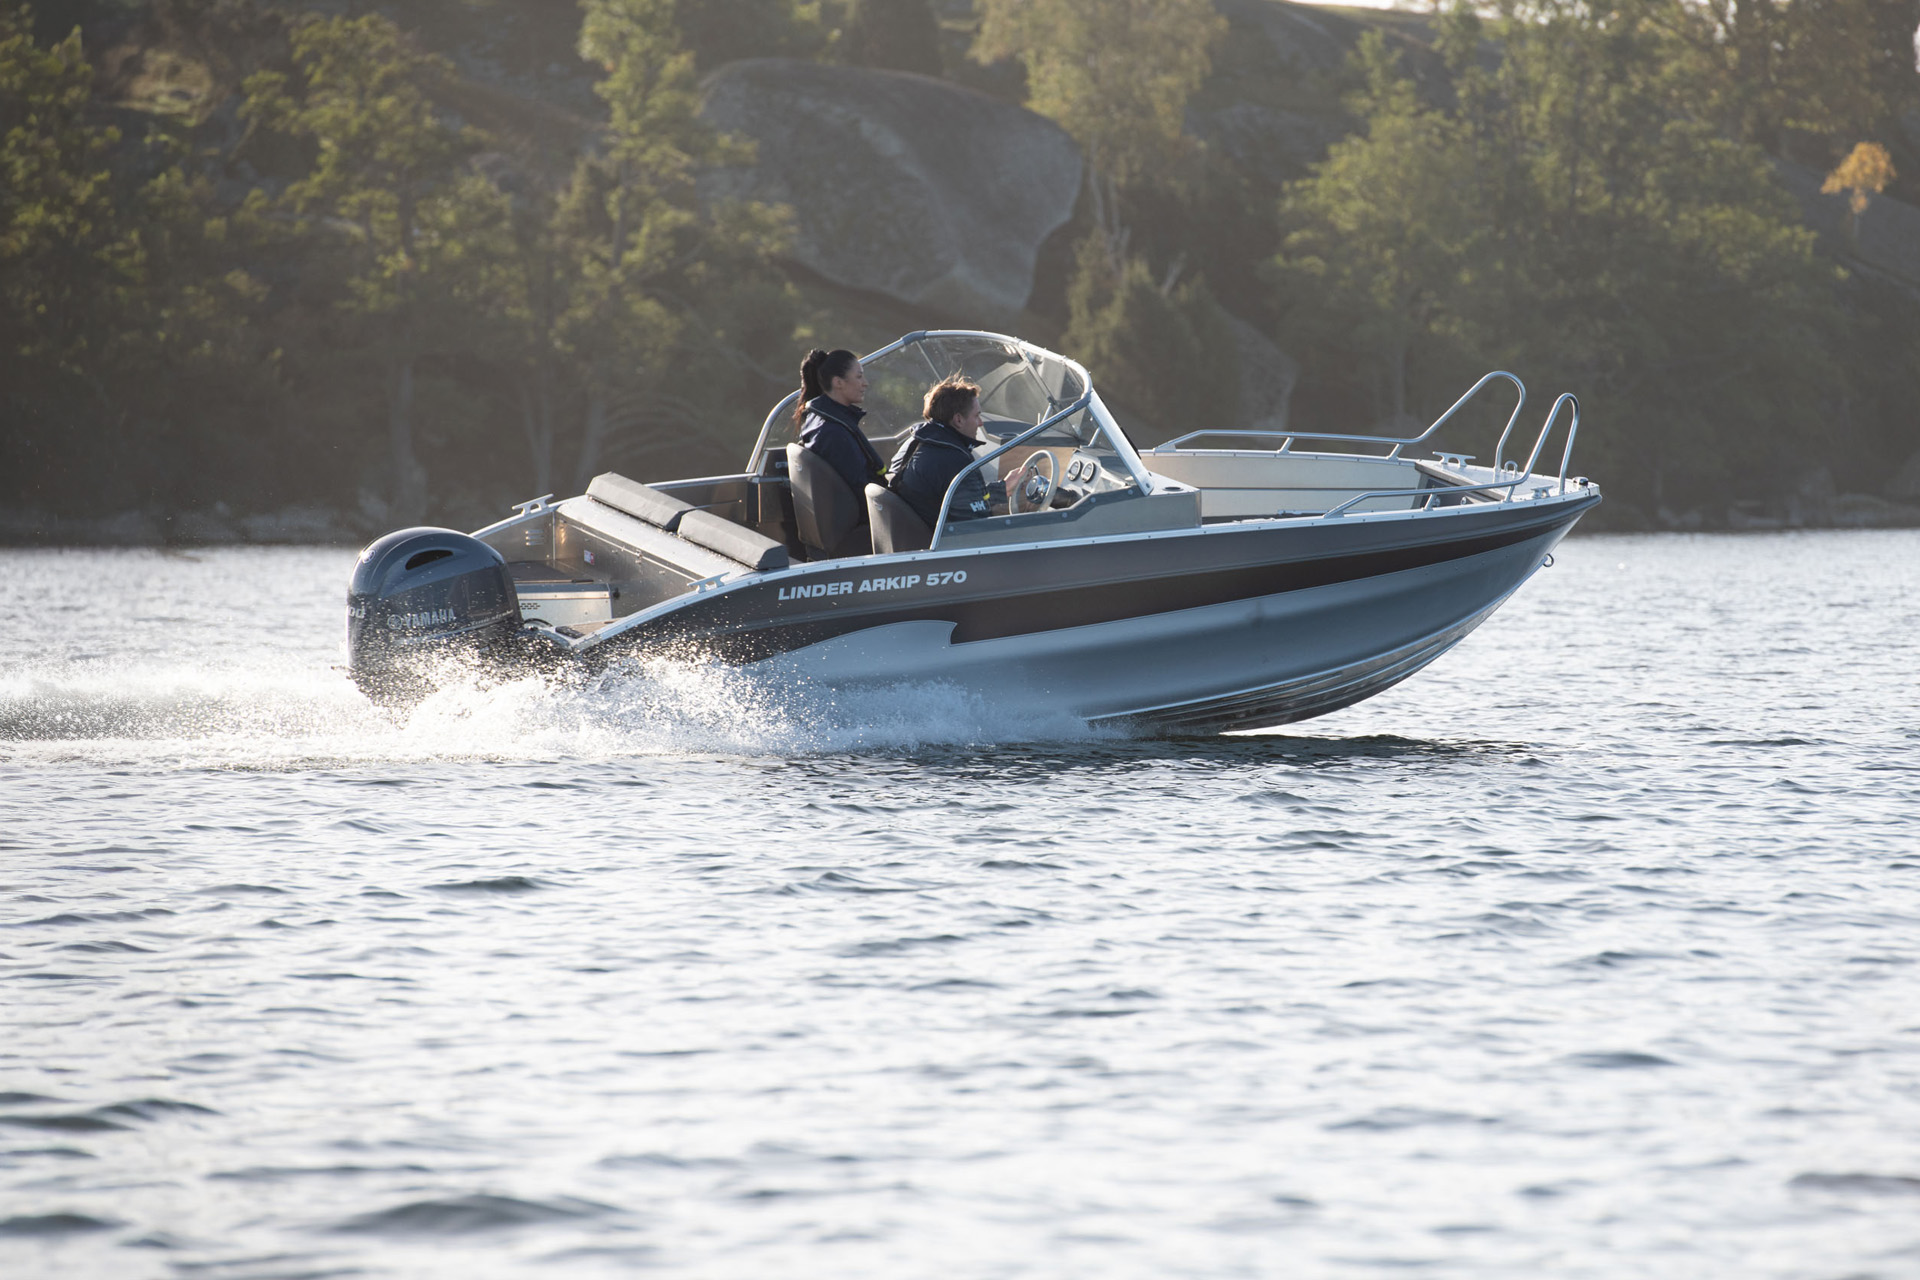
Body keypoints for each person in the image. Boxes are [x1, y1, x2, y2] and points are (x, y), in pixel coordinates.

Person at [887, 375, 1007, 528]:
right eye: (976, 416)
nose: (980, 423)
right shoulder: (956, 460)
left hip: (917, 535)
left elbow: (957, 499)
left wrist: (1002, 490)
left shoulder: (913, 442)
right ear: (958, 420)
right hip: (948, 544)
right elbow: (977, 522)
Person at [793, 348, 884, 497]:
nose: (865, 383)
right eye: (859, 377)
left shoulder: (818, 420)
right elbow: (861, 490)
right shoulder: (833, 433)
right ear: (838, 382)